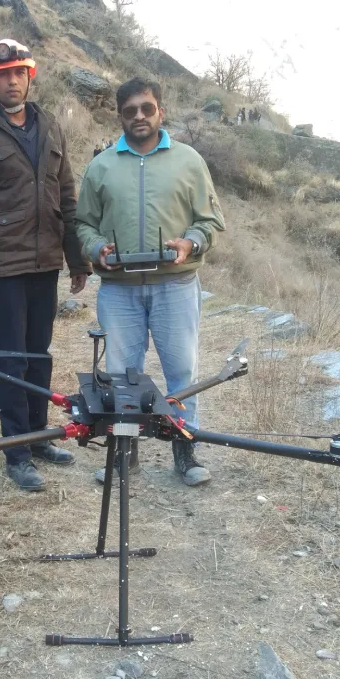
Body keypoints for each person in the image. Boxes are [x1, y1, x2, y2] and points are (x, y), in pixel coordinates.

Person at [0, 38, 92, 492]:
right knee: (11, 362)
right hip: (4, 267)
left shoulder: (49, 125)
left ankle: (40, 437)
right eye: (2, 74)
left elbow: (66, 196)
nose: (12, 81)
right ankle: (16, 452)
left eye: (19, 72)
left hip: (46, 262)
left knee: (39, 356)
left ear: (30, 76)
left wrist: (77, 259)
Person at [76, 76, 225, 487]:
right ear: (120, 115)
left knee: (181, 371)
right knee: (123, 376)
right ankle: (126, 454)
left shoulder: (190, 160)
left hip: (175, 285)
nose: (139, 116)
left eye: (147, 108)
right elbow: (84, 224)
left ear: (160, 110)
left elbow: (210, 220)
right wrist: (96, 249)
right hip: (119, 290)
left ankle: (185, 449)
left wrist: (190, 243)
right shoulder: (101, 165)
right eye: (130, 111)